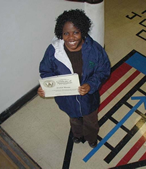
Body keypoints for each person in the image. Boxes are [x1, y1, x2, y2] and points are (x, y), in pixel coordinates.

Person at [37, 9, 110, 148]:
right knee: (74, 119)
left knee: (91, 121)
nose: (71, 37)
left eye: (75, 32)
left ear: (82, 31)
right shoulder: (53, 51)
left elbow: (103, 70)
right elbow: (46, 70)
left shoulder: (95, 49)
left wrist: (90, 85)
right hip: (67, 100)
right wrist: (47, 86)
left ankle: (91, 137)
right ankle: (77, 134)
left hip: (89, 99)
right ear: (61, 33)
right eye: (66, 33)